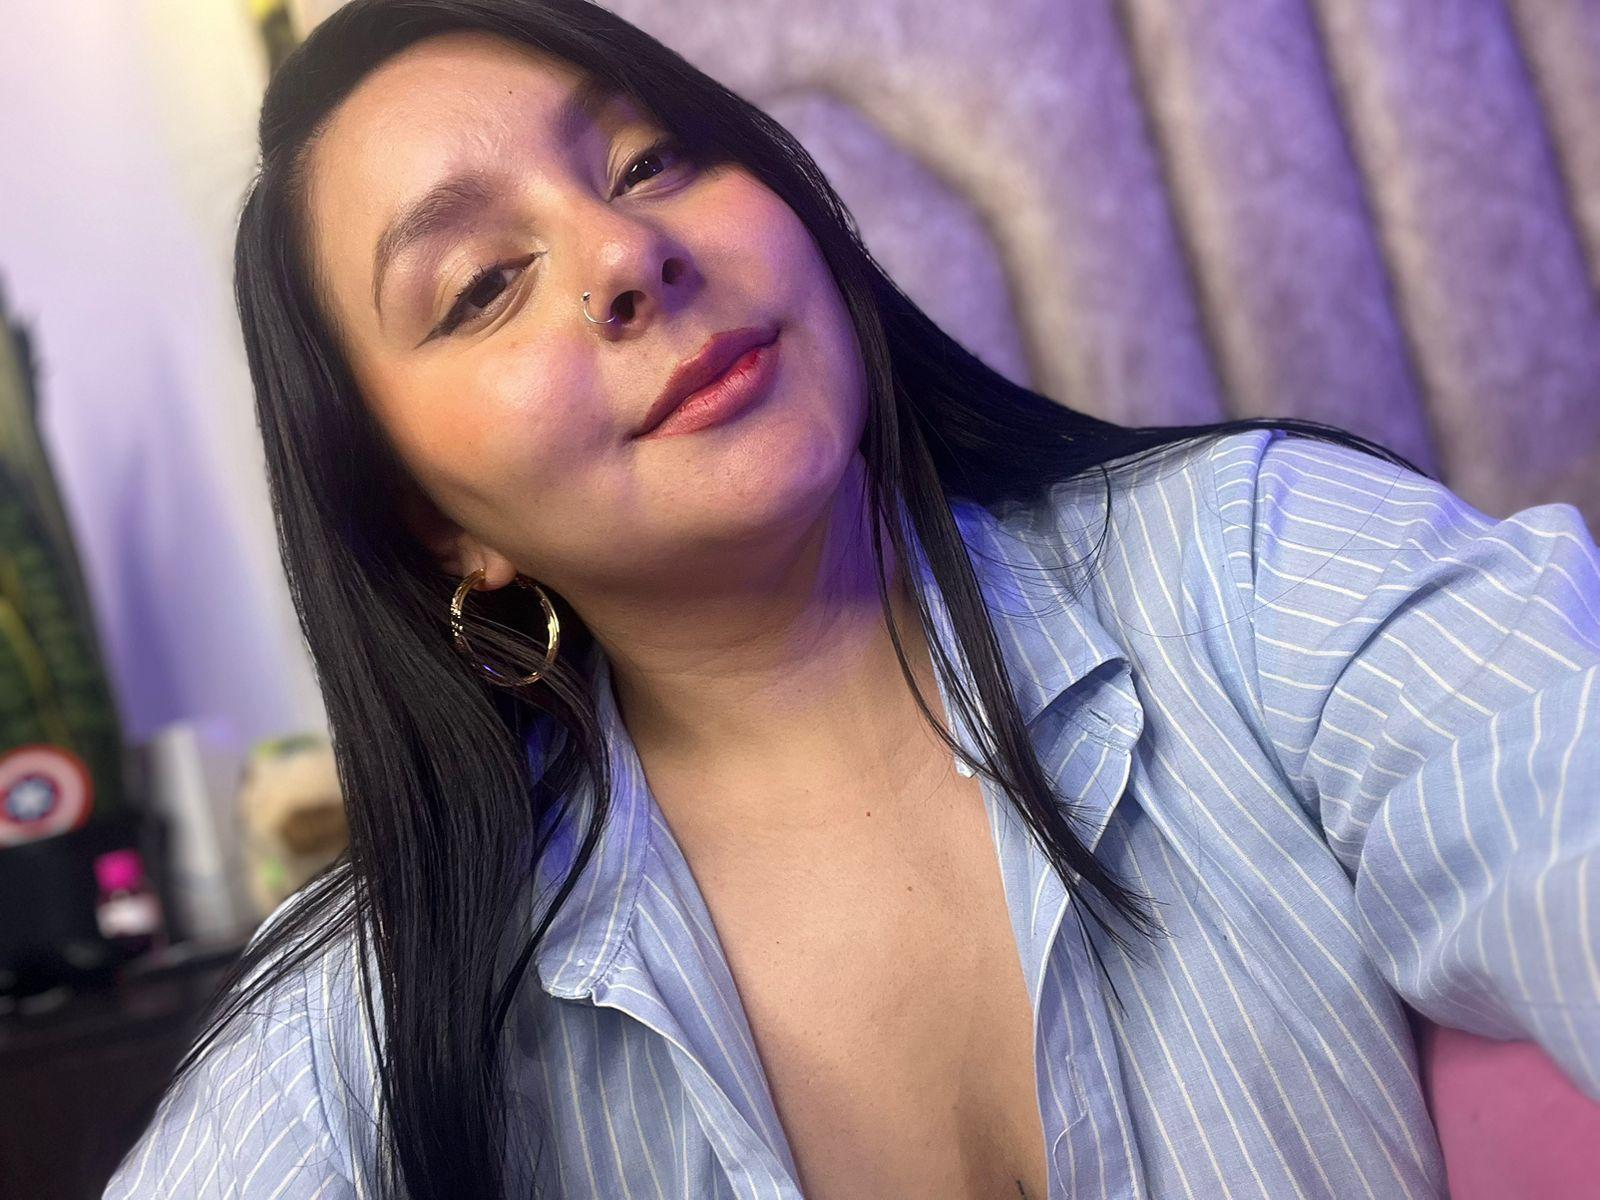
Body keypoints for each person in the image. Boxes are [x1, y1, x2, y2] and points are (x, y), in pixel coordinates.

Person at [104, 0, 1600, 1197]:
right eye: (485, 283)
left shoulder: (1260, 563)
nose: (627, 253)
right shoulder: (389, 1009)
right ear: (436, 528)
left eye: (649, 160)